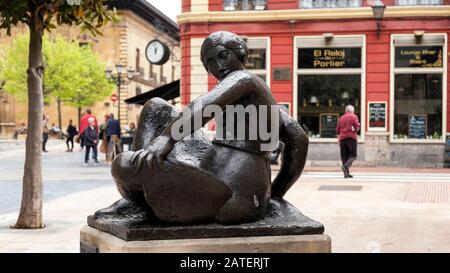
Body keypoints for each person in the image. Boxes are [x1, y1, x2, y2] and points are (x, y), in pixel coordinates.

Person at [97, 31, 309, 225]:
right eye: (210, 63)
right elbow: (299, 138)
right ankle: (139, 199)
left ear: (240, 53)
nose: (218, 66)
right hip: (220, 180)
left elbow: (205, 105)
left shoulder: (245, 79)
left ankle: (138, 199)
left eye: (223, 55)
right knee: (156, 107)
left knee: (123, 164)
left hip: (231, 198)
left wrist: (167, 139)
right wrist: (275, 192)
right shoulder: (265, 102)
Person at [336, 104, 360, 178]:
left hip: (342, 138)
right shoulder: (354, 116)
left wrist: (339, 139)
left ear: (346, 111)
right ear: (352, 111)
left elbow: (337, 130)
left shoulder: (341, 118)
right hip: (351, 138)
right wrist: (356, 130)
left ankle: (346, 174)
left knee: (344, 156)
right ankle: (346, 167)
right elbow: (356, 126)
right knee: (353, 155)